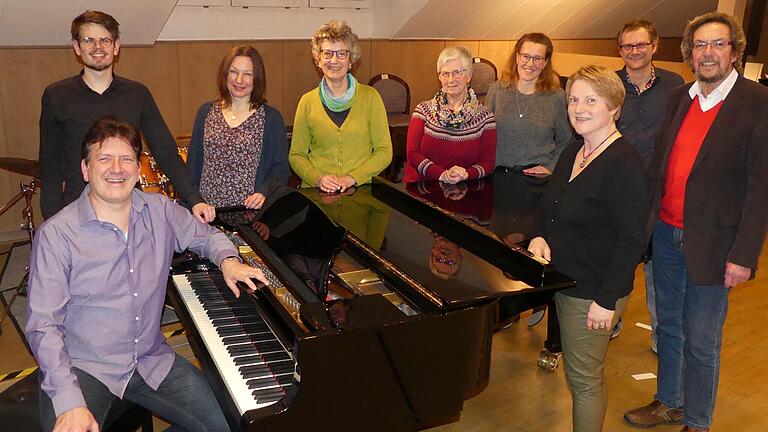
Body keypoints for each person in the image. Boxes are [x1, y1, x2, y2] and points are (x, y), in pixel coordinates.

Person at [26, 117, 267, 432]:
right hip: (84, 368)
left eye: (126, 159)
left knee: (234, 424)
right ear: (86, 170)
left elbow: (208, 236)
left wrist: (229, 261)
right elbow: (43, 327)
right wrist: (70, 402)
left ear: (138, 169)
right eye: (105, 159)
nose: (117, 168)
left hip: (151, 359)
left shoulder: (161, 211)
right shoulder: (57, 234)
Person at [624, 12, 768, 432]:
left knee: (701, 339)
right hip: (667, 234)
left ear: (735, 52)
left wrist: (743, 255)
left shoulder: (757, 104)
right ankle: (670, 401)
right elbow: (660, 167)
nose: (708, 53)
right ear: (689, 54)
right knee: (668, 325)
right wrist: (646, 228)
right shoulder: (680, 97)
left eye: (718, 44)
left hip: (715, 244)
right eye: (700, 45)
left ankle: (698, 422)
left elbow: (761, 189)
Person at [528, 65, 648, 432]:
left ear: (614, 107)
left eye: (590, 100)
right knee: (581, 374)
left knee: (584, 380)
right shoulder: (573, 152)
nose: (578, 108)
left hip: (592, 290)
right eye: (573, 100)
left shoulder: (624, 164)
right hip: (564, 279)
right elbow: (549, 206)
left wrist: (607, 300)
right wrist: (537, 236)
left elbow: (633, 240)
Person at [39, 10, 214, 223]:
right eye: (89, 40)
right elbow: (50, 166)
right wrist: (51, 221)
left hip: (130, 208)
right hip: (78, 210)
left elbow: (166, 152)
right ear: (77, 47)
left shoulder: (137, 94)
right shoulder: (56, 95)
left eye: (105, 40)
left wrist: (194, 199)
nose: (98, 47)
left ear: (116, 46)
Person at [615, 19, 684, 349]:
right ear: (620, 50)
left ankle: (661, 333)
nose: (634, 51)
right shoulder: (609, 85)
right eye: (628, 46)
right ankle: (611, 319)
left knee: (660, 268)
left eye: (641, 44)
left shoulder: (676, 85)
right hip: (619, 191)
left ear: (655, 46)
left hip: (660, 191)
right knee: (619, 260)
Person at [289, 20, 392, 192]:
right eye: (327, 53)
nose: (334, 60)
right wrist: (318, 178)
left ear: (350, 60)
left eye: (341, 54)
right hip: (318, 195)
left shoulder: (371, 97)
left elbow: (384, 151)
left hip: (360, 193)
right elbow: (296, 155)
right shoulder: (306, 102)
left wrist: (353, 178)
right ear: (318, 59)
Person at [187, 45, 289, 211]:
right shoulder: (205, 112)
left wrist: (263, 193)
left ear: (257, 79)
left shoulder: (271, 119)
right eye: (234, 72)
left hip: (248, 214)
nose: (239, 80)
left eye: (247, 74)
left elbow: (281, 169)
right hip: (207, 214)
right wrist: (193, 202)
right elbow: (193, 165)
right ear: (225, 74)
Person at [403, 46, 496, 183]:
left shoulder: (485, 117)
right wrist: (442, 175)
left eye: (457, 72)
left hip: (463, 190)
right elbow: (412, 154)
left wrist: (466, 175)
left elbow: (488, 162)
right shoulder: (423, 110)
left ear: (469, 75)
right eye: (445, 73)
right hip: (422, 188)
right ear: (439, 77)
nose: (451, 79)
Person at [485, 33, 572, 177]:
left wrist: (551, 167)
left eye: (538, 58)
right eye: (525, 56)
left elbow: (566, 141)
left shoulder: (557, 96)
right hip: (498, 174)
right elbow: (484, 134)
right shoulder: (497, 90)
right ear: (517, 57)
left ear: (545, 62)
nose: (530, 64)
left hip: (537, 178)